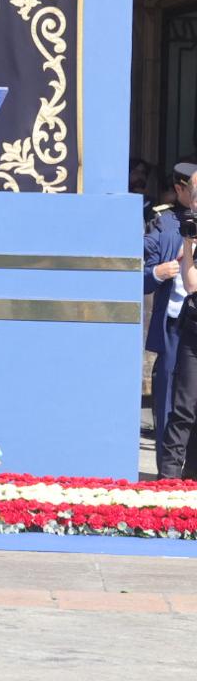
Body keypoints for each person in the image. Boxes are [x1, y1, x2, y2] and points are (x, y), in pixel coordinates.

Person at [148, 162, 196, 474]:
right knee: (173, 406)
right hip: (175, 326)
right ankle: (166, 479)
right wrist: (157, 272)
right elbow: (133, 269)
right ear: (180, 189)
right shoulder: (164, 223)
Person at [165, 179, 197, 480]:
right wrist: (189, 243)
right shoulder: (191, 234)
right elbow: (192, 284)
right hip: (194, 327)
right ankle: (169, 483)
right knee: (183, 407)